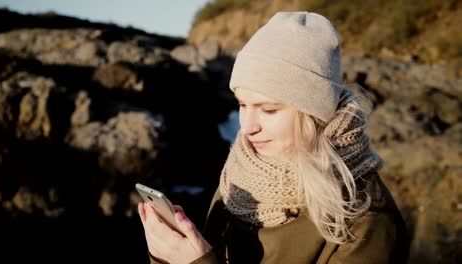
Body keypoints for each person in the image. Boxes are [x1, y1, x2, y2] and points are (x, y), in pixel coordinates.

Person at [137, 11, 408, 264]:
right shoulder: (240, 174)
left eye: (268, 109)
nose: (248, 126)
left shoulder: (366, 219)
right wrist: (170, 254)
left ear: (312, 112)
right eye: (243, 105)